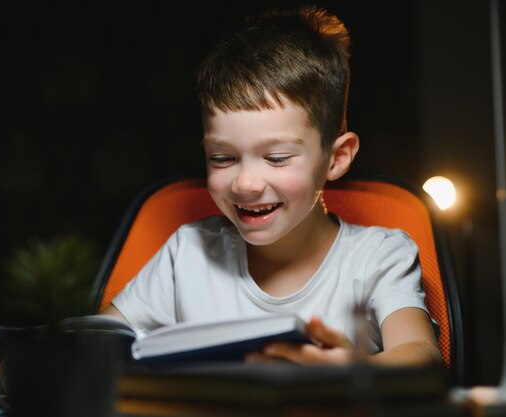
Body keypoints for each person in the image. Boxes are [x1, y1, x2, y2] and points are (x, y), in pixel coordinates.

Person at [101, 6, 442, 367]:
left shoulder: (379, 257)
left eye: (277, 158)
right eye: (222, 158)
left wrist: (349, 369)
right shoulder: (186, 254)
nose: (245, 184)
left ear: (337, 158)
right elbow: (95, 345)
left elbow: (422, 357)